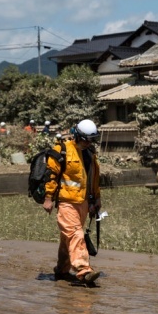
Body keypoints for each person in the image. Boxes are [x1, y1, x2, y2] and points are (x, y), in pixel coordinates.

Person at [42, 119, 102, 285]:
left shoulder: (90, 154)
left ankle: (62, 270)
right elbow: (51, 176)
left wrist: (96, 199)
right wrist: (48, 198)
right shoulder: (62, 151)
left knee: (67, 239)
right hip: (66, 202)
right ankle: (83, 269)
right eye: (85, 139)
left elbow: (93, 179)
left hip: (82, 203)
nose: (88, 143)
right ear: (77, 135)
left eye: (91, 140)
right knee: (76, 234)